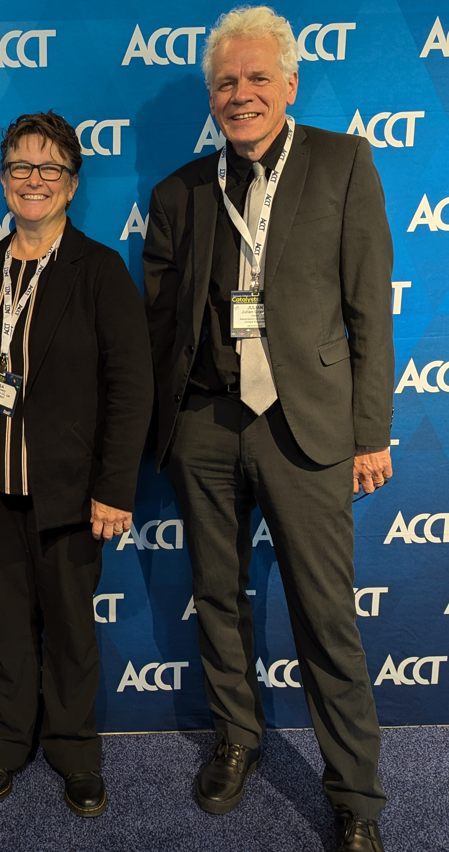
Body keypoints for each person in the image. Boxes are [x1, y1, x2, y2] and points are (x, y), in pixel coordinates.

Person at [143, 7, 393, 851]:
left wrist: (371, 433)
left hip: (308, 429)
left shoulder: (342, 163)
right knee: (217, 598)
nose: (239, 94)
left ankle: (354, 792)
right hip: (206, 428)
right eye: (224, 82)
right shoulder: (180, 190)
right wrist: (165, 428)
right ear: (210, 97)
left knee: (325, 615)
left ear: (289, 84)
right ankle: (237, 738)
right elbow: (157, 322)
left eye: (256, 79)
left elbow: (369, 310)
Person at [0, 111, 153, 818]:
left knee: (69, 633)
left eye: (49, 168)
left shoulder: (98, 271)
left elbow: (131, 387)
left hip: (67, 496)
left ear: (71, 183)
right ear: (3, 180)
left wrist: (114, 486)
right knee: (4, 631)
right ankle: (4, 747)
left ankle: (74, 753)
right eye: (21, 167)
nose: (34, 180)